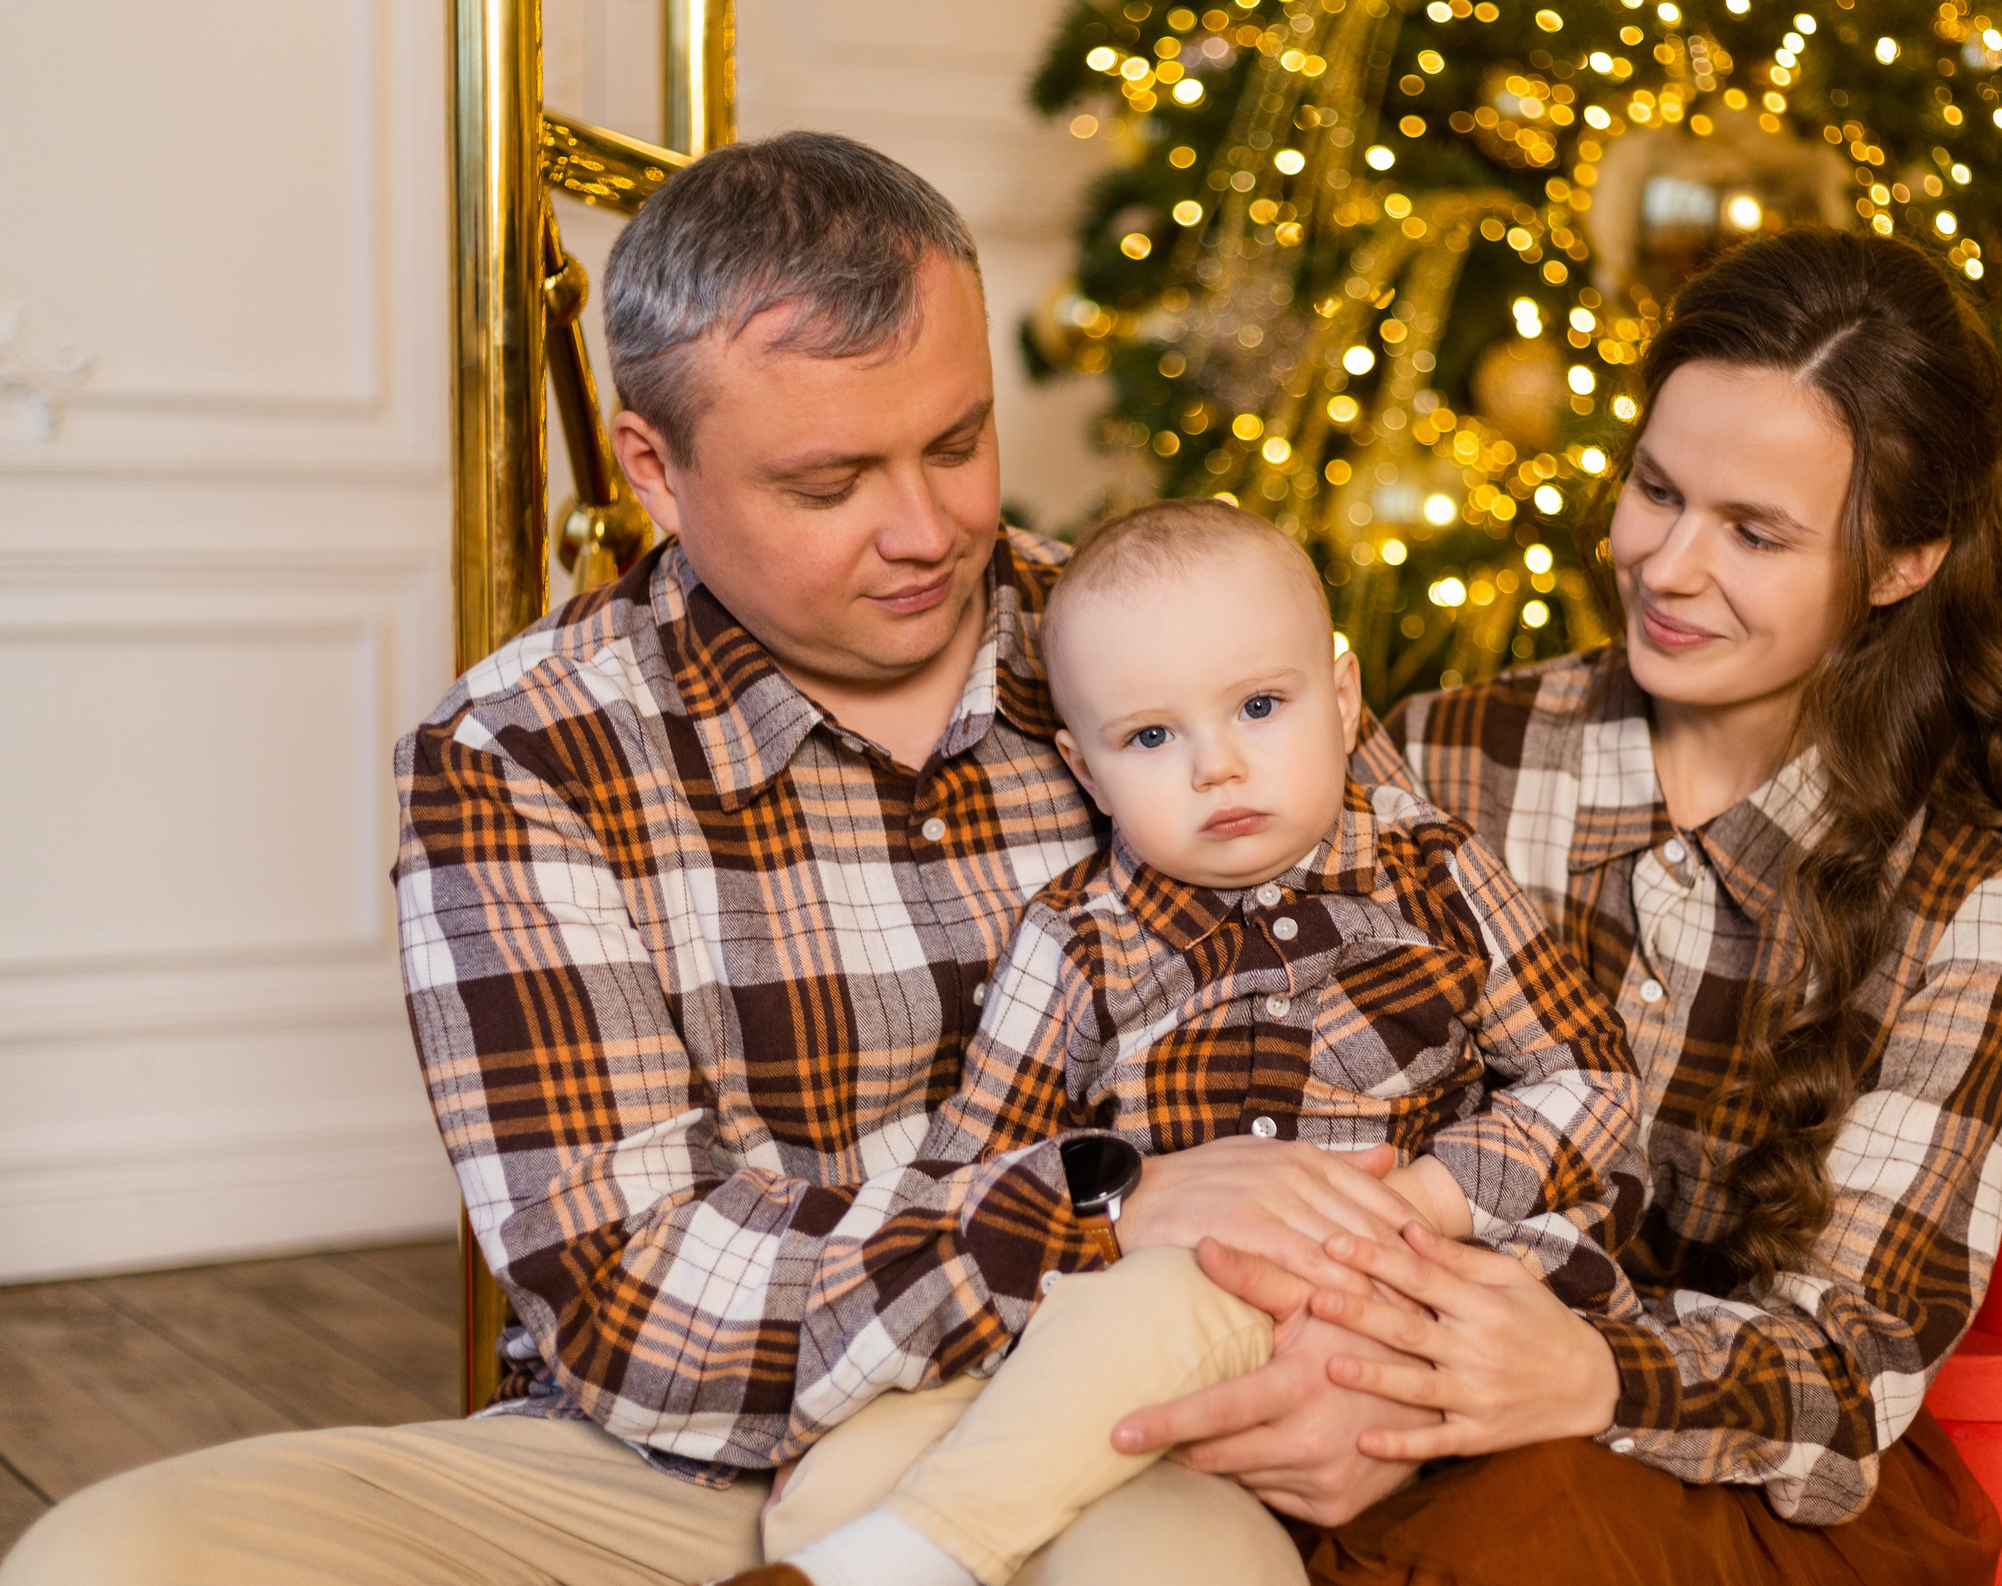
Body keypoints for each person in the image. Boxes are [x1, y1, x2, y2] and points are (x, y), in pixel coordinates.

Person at [0, 134, 1427, 1586]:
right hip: (678, 1469)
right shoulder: (524, 752)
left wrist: (1362, 1373)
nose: (927, 531)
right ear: (656, 470)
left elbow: (1453, 1053)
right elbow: (634, 1303)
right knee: (111, 1557)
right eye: (828, 483)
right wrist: (1093, 1204)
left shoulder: (1177, 646)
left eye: (957, 443)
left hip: (1122, 1417)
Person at [1115, 229, 2002, 1585]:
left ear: (1901, 561)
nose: (1667, 563)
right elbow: (1296, 1093)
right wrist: (1368, 1382)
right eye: (1657, 489)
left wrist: (1584, 1372)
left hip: (1746, 1477)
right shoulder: (1448, 752)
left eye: (1753, 532)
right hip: (1399, 1369)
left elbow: (1847, 1368)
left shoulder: (1966, 899)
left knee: (1507, 1538)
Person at [728, 499, 1642, 1586]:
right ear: (1086, 770)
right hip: (1122, 1318)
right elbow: (974, 1166)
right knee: (861, 1456)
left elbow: (1590, 1076)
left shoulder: (1436, 875)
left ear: (1342, 699)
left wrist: (1416, 1206)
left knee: (1172, 1295)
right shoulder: (1078, 940)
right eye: (1152, 737)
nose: (1217, 766)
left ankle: (917, 1552)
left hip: (1372, 1298)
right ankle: (832, 1549)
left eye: (1259, 706)